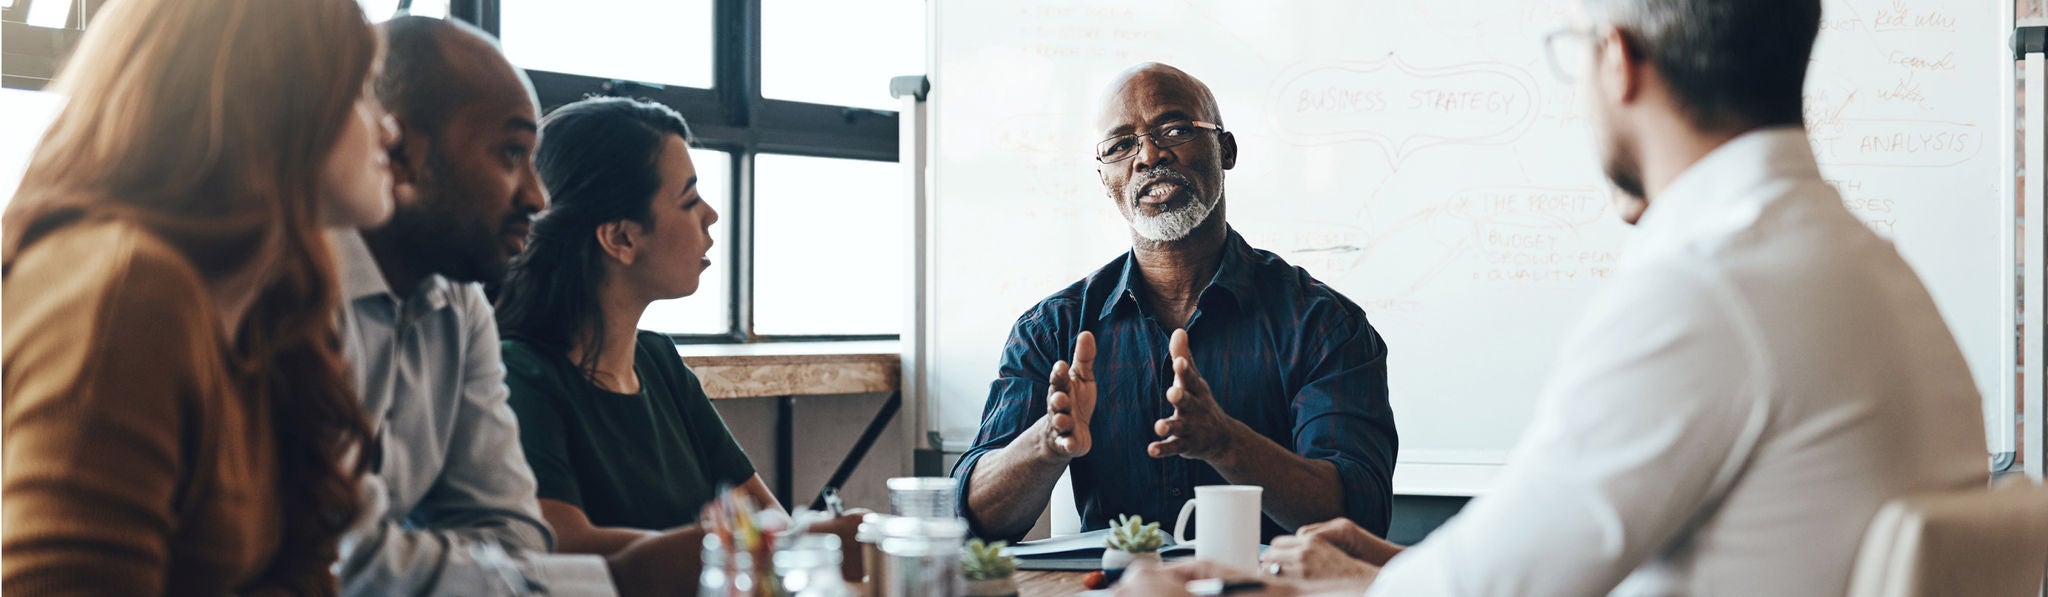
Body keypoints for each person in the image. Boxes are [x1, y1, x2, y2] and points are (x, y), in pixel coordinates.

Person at [1123, 0, 1989, 595]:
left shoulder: (1709, 289)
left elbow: (1503, 588)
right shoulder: (1868, 271)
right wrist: (1385, 567)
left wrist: (1275, 576)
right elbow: (1539, 564)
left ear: (1617, 61)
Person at [2, 0, 393, 593]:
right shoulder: (130, 292)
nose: (389, 128)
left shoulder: (271, 313)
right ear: (270, 100)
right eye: (362, 90)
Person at [953, 62, 1398, 542]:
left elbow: (1360, 516)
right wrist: (1045, 443)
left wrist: (1226, 443)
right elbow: (974, 522)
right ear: (1106, 178)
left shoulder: (1323, 323)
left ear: (1224, 150)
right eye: (1121, 145)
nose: (1148, 155)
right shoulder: (1053, 329)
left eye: (1174, 129)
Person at [333, 17, 698, 597]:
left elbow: (513, 536)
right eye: (509, 154)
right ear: (397, 151)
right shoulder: (292, 293)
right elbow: (341, 557)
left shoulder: (461, 307)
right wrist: (621, 578)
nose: (537, 196)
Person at [496, 96, 864, 578]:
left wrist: (793, 539)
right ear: (621, 239)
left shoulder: (660, 361)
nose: (711, 214)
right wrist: (794, 542)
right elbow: (565, 546)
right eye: (689, 199)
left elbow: (762, 517)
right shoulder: (520, 374)